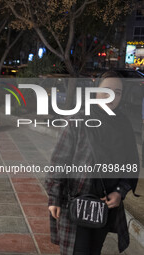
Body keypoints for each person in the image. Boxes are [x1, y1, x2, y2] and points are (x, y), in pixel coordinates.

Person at [46, 71, 139, 255]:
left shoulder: (123, 126)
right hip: (75, 202)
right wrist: (54, 197)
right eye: (106, 90)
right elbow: (59, 161)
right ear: (96, 90)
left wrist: (120, 191)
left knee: (94, 250)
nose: (111, 96)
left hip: (104, 206)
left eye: (117, 92)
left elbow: (131, 163)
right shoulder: (79, 119)